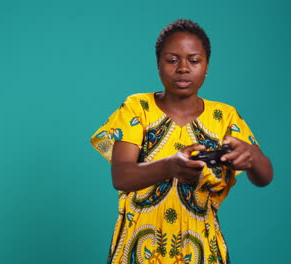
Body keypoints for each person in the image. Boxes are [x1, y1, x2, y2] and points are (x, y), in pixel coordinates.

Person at [90, 19, 273, 264]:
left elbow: (264, 177)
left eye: (194, 60)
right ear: (158, 64)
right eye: (172, 60)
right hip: (138, 247)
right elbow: (121, 176)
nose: (183, 68)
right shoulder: (137, 108)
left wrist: (251, 156)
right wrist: (170, 167)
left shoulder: (225, 117)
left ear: (206, 66)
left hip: (202, 250)